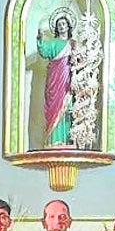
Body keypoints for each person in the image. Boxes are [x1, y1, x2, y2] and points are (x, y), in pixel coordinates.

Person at [37, 11, 75, 147]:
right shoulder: (53, 43)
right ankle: (53, 140)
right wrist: (40, 39)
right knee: (54, 106)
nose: (61, 26)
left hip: (68, 80)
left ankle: (67, 140)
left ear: (69, 26)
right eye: (59, 24)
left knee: (67, 108)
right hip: (54, 78)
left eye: (64, 24)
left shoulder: (73, 44)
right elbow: (44, 51)